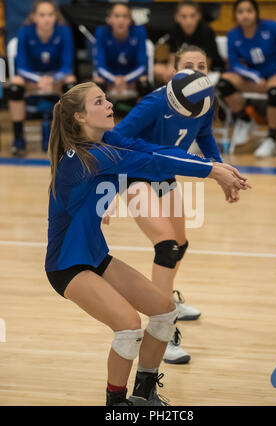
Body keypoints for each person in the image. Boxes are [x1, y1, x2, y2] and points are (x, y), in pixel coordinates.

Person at [45, 81, 251, 406]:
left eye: (106, 97)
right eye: (99, 101)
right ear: (81, 117)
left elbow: (154, 151)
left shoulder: (107, 140)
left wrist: (213, 165)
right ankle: (117, 404)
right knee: (128, 325)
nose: (109, 103)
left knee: (164, 311)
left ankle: (145, 394)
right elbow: (152, 164)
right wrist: (211, 172)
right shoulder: (88, 156)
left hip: (95, 256)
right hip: (66, 265)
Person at [109, 45, 240, 366]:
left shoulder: (204, 100)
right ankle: (161, 327)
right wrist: (109, 188)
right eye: (188, 65)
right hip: (134, 175)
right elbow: (114, 139)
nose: (196, 71)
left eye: (201, 65)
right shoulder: (156, 101)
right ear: (172, 71)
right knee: (166, 246)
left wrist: (222, 169)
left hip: (165, 175)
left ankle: (166, 297)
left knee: (179, 244)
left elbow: (205, 134)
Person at [217, 0, 276, 157]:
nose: (245, 15)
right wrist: (255, 77)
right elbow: (234, 64)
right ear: (235, 15)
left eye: (249, 11)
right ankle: (245, 120)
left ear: (256, 13)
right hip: (255, 78)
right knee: (224, 83)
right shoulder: (233, 35)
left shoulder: (271, 27)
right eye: (240, 11)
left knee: (274, 91)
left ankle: (272, 139)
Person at [8, 0, 76, 157]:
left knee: (71, 85)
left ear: (56, 17)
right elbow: (22, 67)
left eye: (50, 15)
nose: (47, 19)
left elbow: (67, 66)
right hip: (32, 78)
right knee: (15, 86)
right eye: (42, 15)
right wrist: (38, 80)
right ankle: (18, 139)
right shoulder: (25, 31)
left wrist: (53, 79)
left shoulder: (64, 31)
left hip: (56, 78)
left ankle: (68, 138)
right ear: (34, 17)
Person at [93, 2, 152, 103]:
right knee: (98, 81)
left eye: (125, 16)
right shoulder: (101, 32)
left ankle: (143, 111)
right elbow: (99, 65)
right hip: (110, 76)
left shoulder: (140, 31)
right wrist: (113, 79)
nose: (121, 20)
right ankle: (101, 112)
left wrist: (126, 79)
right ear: (109, 19)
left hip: (131, 75)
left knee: (144, 82)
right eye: (116, 16)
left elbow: (142, 65)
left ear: (130, 20)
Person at [154, 1, 224, 85]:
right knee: (157, 70)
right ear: (176, 17)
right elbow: (172, 58)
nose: (188, 20)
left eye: (192, 16)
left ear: (199, 15)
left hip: (206, 70)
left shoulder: (207, 31)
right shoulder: (175, 29)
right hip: (182, 68)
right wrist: (171, 70)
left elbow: (206, 65)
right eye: (183, 16)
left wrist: (181, 74)